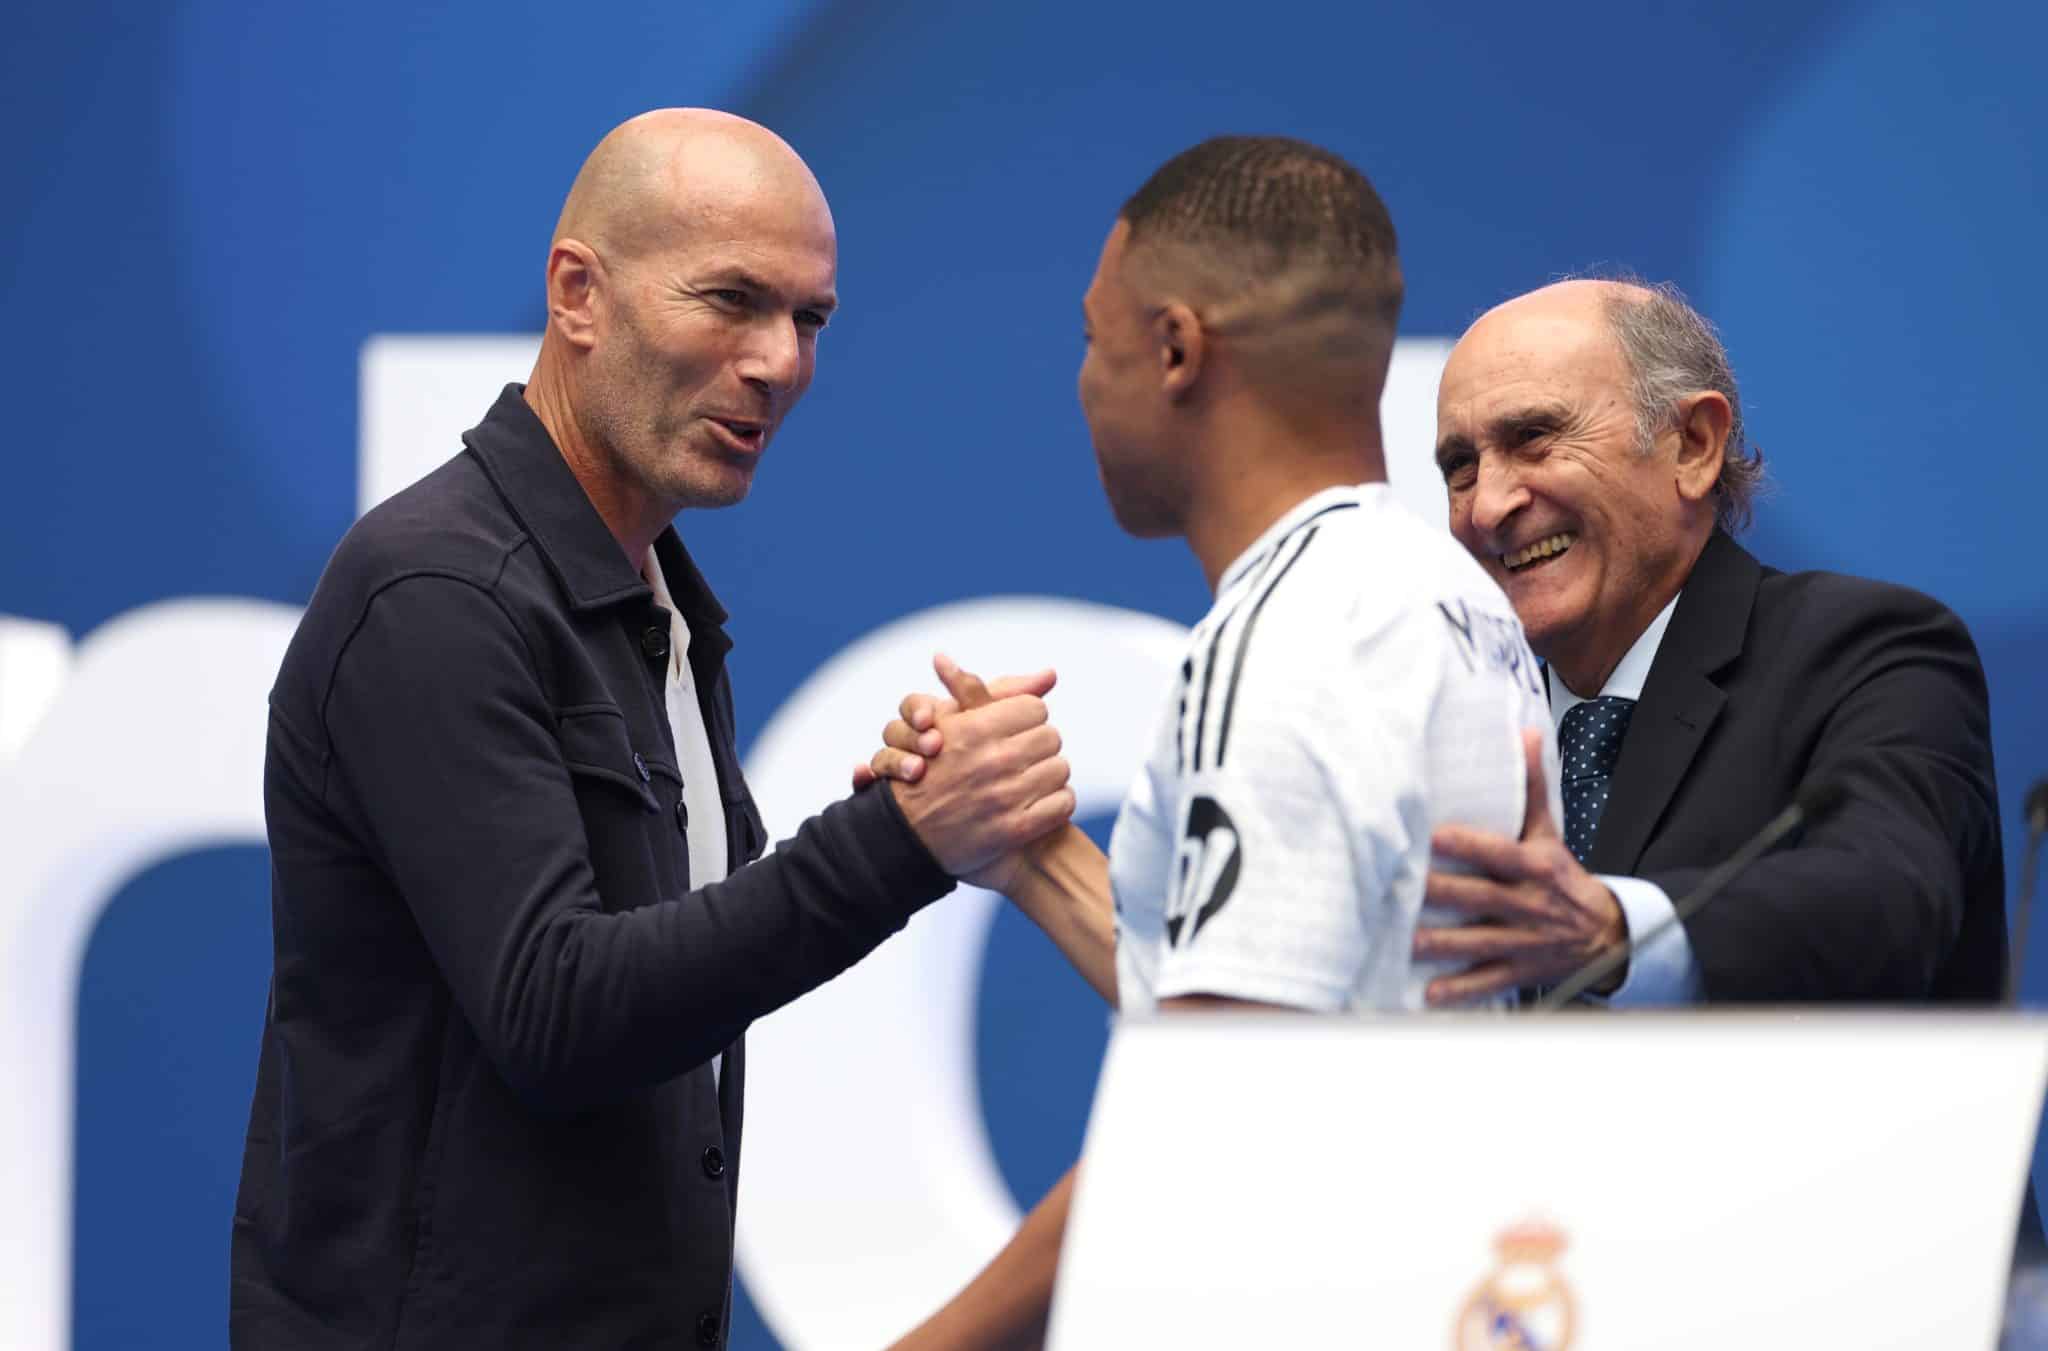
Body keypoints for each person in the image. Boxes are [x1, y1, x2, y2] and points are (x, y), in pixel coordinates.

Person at [229, 109, 1075, 1350]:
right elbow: (558, 1012)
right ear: (578, 294)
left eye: (809, 320)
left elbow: (655, 984)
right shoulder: (436, 592)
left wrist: (905, 814)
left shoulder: (657, 604)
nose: (778, 361)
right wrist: (897, 839)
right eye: (730, 300)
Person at [858, 134, 1560, 1350]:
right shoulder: (1441, 599)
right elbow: (1305, 1007)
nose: (1081, 380)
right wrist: (1029, 851)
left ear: (1176, 349)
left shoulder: (1282, 638)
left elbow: (1213, 1110)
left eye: (1093, 340)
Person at [1413, 277, 2006, 1005]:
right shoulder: (1465, 724)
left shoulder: (1867, 652)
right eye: (1460, 468)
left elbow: (1889, 899)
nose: (1488, 507)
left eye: (1533, 438)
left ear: (1693, 445)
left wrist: (1617, 931)